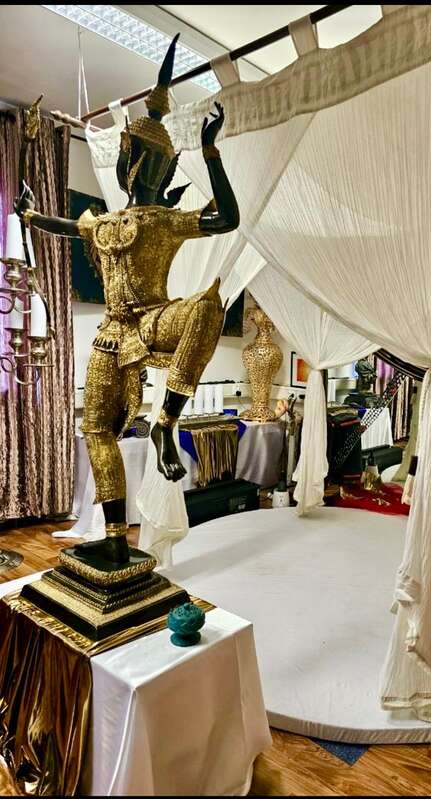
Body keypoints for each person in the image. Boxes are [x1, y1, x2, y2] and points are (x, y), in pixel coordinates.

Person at [14, 35, 239, 564]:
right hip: (110, 336)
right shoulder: (107, 222)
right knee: (96, 430)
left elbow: (227, 218)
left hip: (155, 319)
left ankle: (166, 423)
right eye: (141, 156)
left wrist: (211, 154)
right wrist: (30, 216)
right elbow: (67, 226)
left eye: (152, 159)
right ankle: (116, 533)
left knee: (208, 305)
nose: (144, 166)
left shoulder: (165, 220)